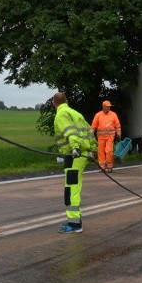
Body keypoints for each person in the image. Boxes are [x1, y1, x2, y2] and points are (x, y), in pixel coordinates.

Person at [53, 92, 97, 233]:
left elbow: (70, 133)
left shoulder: (61, 114)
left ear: (54, 103)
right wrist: (92, 150)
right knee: (75, 188)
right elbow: (89, 132)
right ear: (66, 101)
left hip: (73, 156)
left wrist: (75, 148)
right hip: (82, 155)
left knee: (71, 189)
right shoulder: (76, 113)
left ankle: (74, 224)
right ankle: (75, 220)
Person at [91, 100, 122, 172]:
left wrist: (119, 134)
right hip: (100, 137)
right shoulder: (98, 115)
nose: (109, 108)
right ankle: (102, 167)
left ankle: (110, 166)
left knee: (109, 151)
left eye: (109, 107)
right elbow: (93, 126)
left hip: (110, 137)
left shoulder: (113, 115)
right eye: (107, 107)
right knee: (100, 152)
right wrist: (90, 134)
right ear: (103, 106)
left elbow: (117, 125)